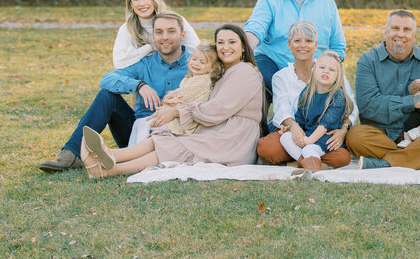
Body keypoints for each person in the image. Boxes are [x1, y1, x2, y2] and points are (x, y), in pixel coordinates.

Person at [80, 24, 264, 178]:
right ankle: (109, 156)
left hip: (234, 139)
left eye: (232, 42)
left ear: (243, 47)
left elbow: (218, 109)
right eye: (220, 43)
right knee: (166, 136)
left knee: (174, 144)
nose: (226, 47)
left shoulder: (244, 71)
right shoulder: (226, 72)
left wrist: (178, 112)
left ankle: (108, 169)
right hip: (220, 130)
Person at [39, 12, 191, 173]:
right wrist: (139, 85)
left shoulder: (196, 64)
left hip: (176, 134)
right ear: (153, 37)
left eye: (171, 31)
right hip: (138, 133)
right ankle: (71, 154)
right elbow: (107, 79)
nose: (165, 37)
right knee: (106, 96)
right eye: (159, 32)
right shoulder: (144, 64)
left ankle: (115, 159)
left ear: (182, 35)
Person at [346, 9, 420, 170]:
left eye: (407, 30)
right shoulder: (368, 61)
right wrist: (413, 101)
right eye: (395, 28)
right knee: (354, 137)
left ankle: (386, 164)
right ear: (386, 32)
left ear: (414, 36)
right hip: (381, 134)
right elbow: (367, 106)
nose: (400, 34)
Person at [244, 0, 346, 106]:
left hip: (315, 70)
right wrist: (243, 54)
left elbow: (337, 46)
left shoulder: (327, 3)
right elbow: (255, 29)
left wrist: (326, 70)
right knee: (257, 81)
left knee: (325, 109)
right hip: (275, 66)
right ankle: (258, 129)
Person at [256, 21, 356, 168]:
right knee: (267, 149)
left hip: (323, 134)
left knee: (341, 157)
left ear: (315, 45)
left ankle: (296, 162)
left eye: (308, 41)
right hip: (295, 130)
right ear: (289, 45)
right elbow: (282, 110)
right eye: (297, 41)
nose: (303, 45)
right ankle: (310, 162)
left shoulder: (330, 69)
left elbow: (352, 106)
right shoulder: (281, 76)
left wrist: (343, 130)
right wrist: (293, 127)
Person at [278, 51, 353, 172]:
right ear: (315, 70)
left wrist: (308, 141)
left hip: (325, 138)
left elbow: (325, 125)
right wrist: (294, 131)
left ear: (338, 76)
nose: (326, 71)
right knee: (285, 138)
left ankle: (311, 170)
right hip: (308, 134)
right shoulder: (307, 92)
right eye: (322, 67)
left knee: (309, 149)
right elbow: (300, 118)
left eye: (332, 70)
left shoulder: (337, 96)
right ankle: (308, 165)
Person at [113, 0, 199, 69]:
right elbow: (119, 63)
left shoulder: (176, 21)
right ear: (131, 4)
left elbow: (195, 52)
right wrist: (150, 47)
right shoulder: (127, 29)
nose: (142, 3)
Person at [162, 40, 224, 135]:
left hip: (184, 120)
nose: (196, 63)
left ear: (212, 67)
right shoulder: (191, 77)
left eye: (202, 62)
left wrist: (170, 98)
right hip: (178, 113)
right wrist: (170, 98)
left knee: (144, 125)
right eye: (194, 59)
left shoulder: (203, 80)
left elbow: (183, 96)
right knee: (141, 125)